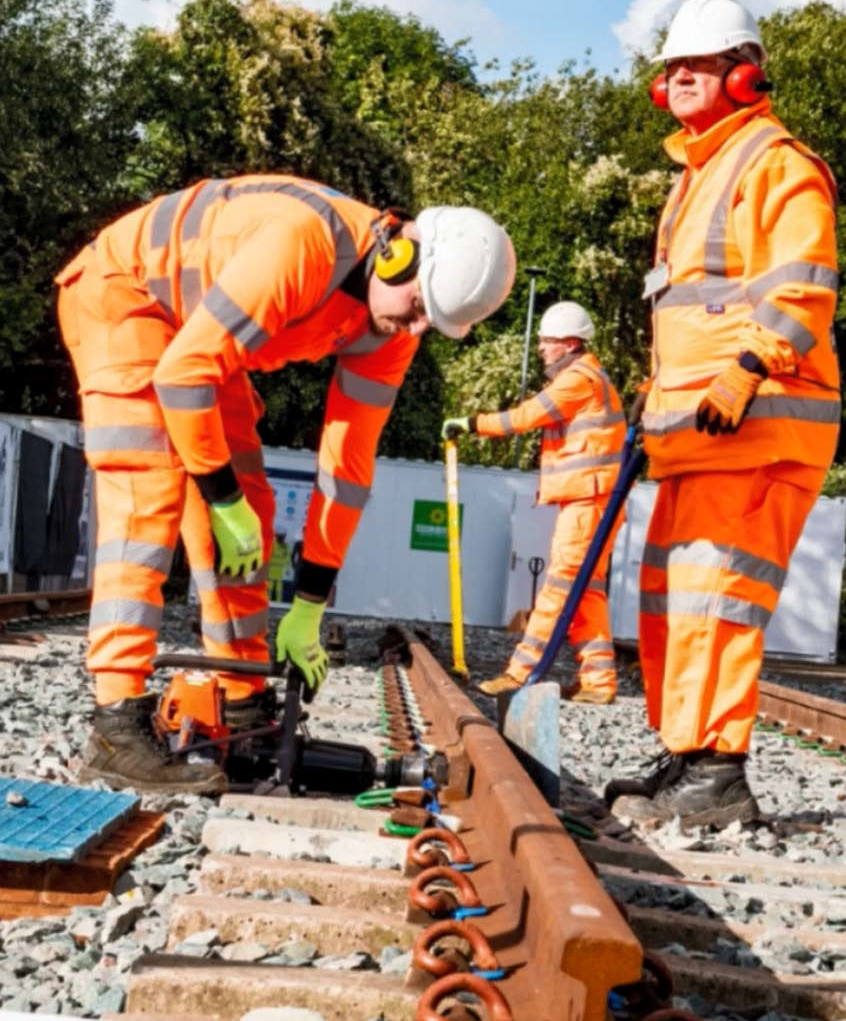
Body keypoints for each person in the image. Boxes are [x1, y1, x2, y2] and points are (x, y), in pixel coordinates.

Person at [56, 176, 515, 792]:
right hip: (125, 298)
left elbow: (347, 469)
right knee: (149, 494)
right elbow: (182, 377)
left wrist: (309, 605)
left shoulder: (388, 328)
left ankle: (239, 696)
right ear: (399, 254)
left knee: (254, 508)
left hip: (196, 343)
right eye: (418, 309)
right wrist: (221, 501)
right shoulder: (303, 245)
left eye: (431, 322)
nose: (414, 331)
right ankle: (115, 723)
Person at [606, 0, 840, 828]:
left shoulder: (777, 164)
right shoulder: (697, 177)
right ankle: (689, 754)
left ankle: (719, 767)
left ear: (744, 75)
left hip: (760, 424)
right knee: (673, 600)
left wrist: (748, 369)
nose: (680, 81)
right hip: (695, 436)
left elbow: (804, 286)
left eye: (698, 67)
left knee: (719, 603)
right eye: (671, 70)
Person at [444, 301, 625, 704]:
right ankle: (599, 683)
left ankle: (520, 673)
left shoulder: (578, 379)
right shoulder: (590, 377)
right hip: (592, 501)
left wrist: (472, 424)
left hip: (588, 502)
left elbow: (524, 418)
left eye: (548, 341)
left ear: (570, 343)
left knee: (559, 588)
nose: (542, 348)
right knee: (587, 592)